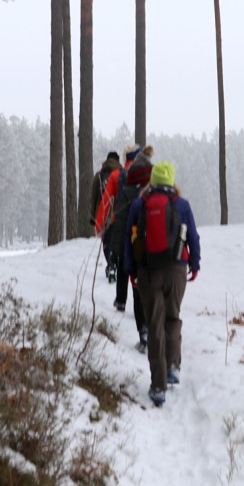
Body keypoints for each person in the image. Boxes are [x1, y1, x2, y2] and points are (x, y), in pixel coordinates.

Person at [125, 161, 201, 407]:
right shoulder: (182, 204)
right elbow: (193, 237)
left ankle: (158, 387)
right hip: (177, 268)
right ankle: (173, 366)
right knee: (172, 317)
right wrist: (195, 264)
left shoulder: (140, 204)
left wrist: (131, 270)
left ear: (153, 181)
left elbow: (130, 239)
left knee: (154, 324)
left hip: (149, 271)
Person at [109, 147, 154, 352]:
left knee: (137, 289)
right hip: (157, 252)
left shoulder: (125, 189)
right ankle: (156, 333)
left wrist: (117, 251)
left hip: (134, 247)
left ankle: (144, 332)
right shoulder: (159, 192)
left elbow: (118, 223)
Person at [95, 144, 142, 289]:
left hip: (120, 222)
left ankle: (120, 297)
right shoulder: (146, 174)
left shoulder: (117, 175)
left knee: (121, 255)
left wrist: (99, 224)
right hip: (140, 222)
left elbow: (106, 201)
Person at [89, 151, 121, 278]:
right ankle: (116, 263)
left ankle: (111, 264)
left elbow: (93, 197)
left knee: (107, 241)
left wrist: (93, 218)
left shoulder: (99, 175)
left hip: (103, 215)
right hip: (119, 214)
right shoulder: (122, 175)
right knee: (117, 241)